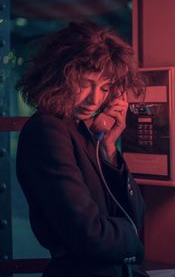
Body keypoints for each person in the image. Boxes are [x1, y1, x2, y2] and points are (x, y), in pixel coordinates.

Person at [16, 21, 147, 277]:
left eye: (105, 87)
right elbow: (90, 236)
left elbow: (135, 216)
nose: (95, 99)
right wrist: (133, 239)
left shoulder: (81, 131)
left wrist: (108, 147)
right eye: (86, 84)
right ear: (60, 78)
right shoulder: (47, 130)